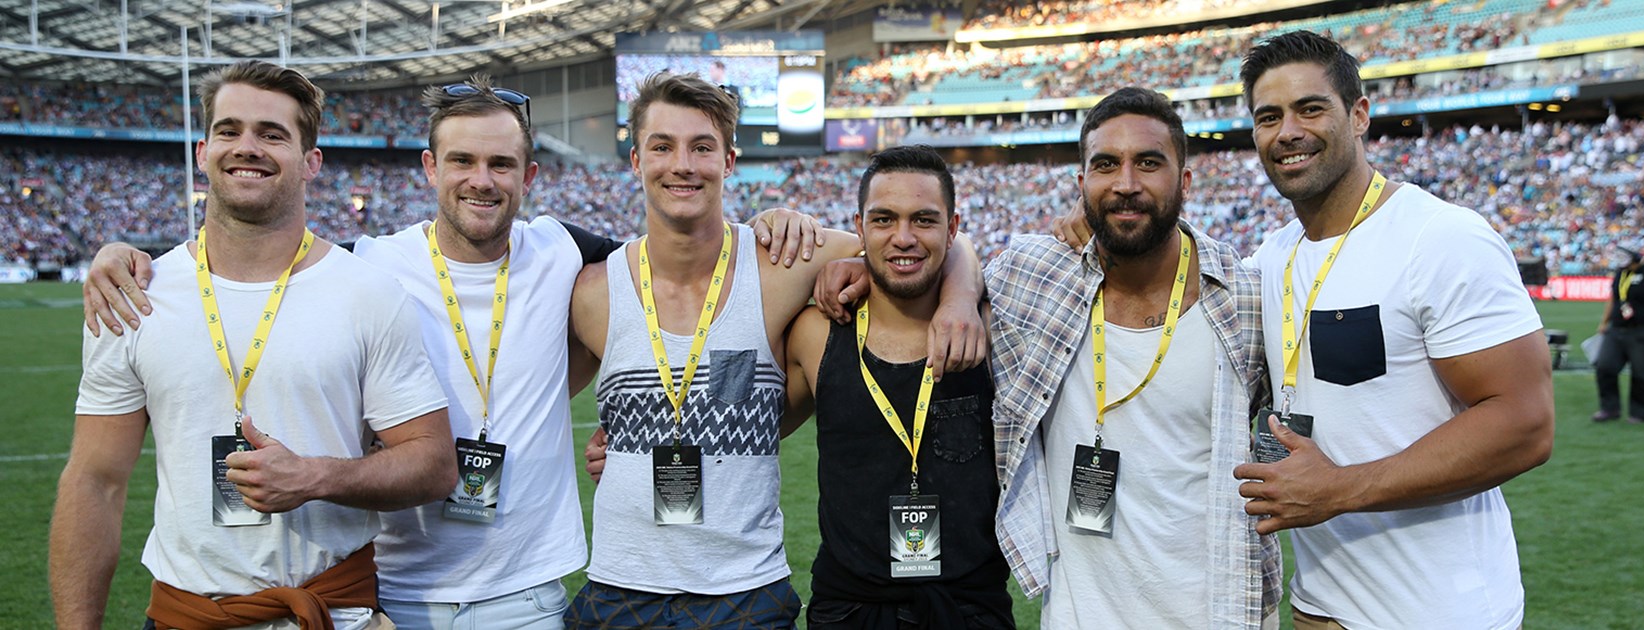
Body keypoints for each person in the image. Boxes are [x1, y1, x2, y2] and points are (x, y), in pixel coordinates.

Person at [76, 74, 830, 630]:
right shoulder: (367, 263)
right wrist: (126, 253)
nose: (483, 179)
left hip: (530, 590)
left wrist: (779, 220)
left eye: (503, 165)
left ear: (530, 178)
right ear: (430, 169)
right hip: (395, 592)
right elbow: (251, 262)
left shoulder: (568, 254)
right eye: (463, 161)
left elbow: (681, 241)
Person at [566, 71, 983, 629]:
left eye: (702, 147)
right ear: (637, 160)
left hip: (744, 591)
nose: (682, 164)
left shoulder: (784, 261)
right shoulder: (590, 291)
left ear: (729, 160)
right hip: (620, 583)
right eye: (662, 146)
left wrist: (957, 299)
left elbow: (928, 244)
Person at [51, 60, 456, 630]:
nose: (247, 147)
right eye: (229, 130)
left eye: (272, 134)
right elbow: (95, 479)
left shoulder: (366, 292)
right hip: (188, 616)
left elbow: (434, 465)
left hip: (334, 612)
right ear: (202, 152)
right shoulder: (133, 295)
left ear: (311, 161)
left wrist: (315, 477)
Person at [1233, 31, 1554, 630]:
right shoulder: (1272, 257)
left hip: (1441, 614)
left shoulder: (1439, 238)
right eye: (1268, 117)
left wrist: (1338, 490)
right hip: (1317, 608)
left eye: (1311, 108)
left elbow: (1525, 424)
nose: (1287, 132)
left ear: (1359, 116)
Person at [987, 87, 1279, 629]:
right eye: (1106, 165)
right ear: (1082, 185)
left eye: (1148, 163)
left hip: (1213, 611)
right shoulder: (1032, 276)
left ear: (1185, 182)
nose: (1125, 184)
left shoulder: (1246, 299)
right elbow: (925, 259)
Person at [782, 145, 1011, 629]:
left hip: (969, 607)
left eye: (924, 220)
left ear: (952, 230)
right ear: (859, 227)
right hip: (849, 609)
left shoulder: (995, 332)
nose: (903, 237)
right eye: (884, 219)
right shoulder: (814, 333)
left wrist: (964, 293)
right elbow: (753, 430)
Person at [1593, 245, 1644, 424]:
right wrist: (1604, 322)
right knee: (1605, 367)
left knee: (1641, 373)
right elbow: (1613, 299)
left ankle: (1640, 413)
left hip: (1643, 331)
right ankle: (1609, 408)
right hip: (1617, 329)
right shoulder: (1620, 274)